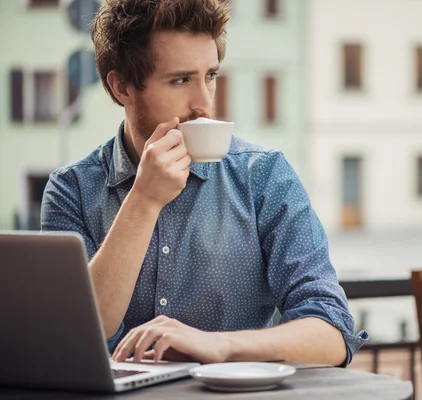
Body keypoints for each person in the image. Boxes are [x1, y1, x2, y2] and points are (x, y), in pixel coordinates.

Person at [41, 0, 367, 367]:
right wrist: (144, 199)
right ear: (123, 87)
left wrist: (221, 346)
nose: (204, 104)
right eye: (181, 80)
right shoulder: (71, 190)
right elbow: (80, 331)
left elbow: (332, 332)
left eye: (210, 76)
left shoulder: (264, 175)